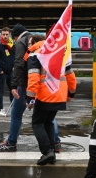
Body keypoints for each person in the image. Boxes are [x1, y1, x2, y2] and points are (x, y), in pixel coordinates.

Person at [25, 35, 76, 165]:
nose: (28, 46)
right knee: (48, 122)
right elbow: (70, 75)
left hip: (44, 95)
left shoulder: (35, 54)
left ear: (35, 43)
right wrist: (71, 93)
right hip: (59, 95)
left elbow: (33, 78)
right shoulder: (60, 53)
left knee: (37, 123)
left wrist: (30, 98)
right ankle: (52, 151)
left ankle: (47, 152)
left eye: (30, 43)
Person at [0, 23, 31, 152]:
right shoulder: (36, 40)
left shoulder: (20, 42)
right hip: (37, 82)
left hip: (23, 82)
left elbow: (19, 63)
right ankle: (56, 143)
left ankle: (11, 143)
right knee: (45, 114)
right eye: (3, 34)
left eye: (8, 35)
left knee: (16, 114)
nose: (6, 36)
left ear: (14, 35)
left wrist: (15, 84)